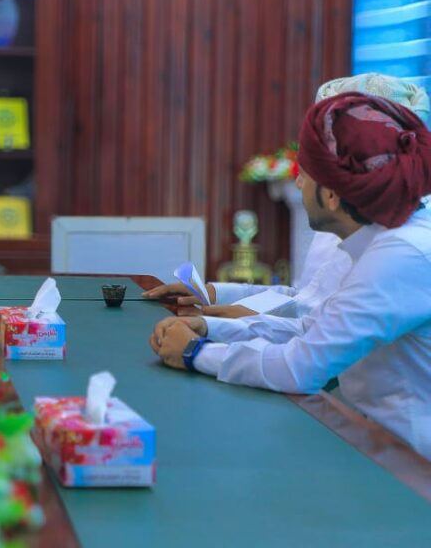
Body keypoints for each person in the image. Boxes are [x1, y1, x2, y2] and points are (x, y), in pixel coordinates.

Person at [149, 92, 431, 457]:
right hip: (379, 447)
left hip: (412, 470)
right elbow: (312, 326)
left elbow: (300, 368)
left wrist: (194, 353)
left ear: (332, 195)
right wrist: (211, 329)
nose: (298, 185)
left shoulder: (400, 255)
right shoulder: (379, 237)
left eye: (304, 175)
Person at [143, 72, 430, 320]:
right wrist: (213, 293)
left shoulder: (406, 242)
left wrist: (218, 326)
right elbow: (306, 297)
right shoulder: (342, 212)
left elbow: (320, 339)